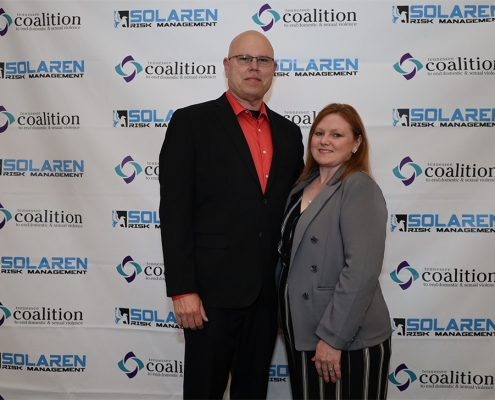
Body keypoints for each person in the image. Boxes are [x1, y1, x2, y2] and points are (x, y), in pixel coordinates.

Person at [159, 30, 304, 399]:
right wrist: (183, 289)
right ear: (227, 66)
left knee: (252, 392)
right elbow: (175, 212)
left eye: (263, 61)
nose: (254, 67)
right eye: (244, 59)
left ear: (274, 69)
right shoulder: (191, 123)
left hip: (266, 296)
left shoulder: (289, 133)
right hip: (209, 296)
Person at [276, 103, 392, 399]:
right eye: (319, 133)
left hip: (343, 338)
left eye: (336, 134)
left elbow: (361, 272)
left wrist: (333, 338)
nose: (324, 141)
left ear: (356, 143)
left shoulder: (358, 187)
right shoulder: (301, 187)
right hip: (302, 331)